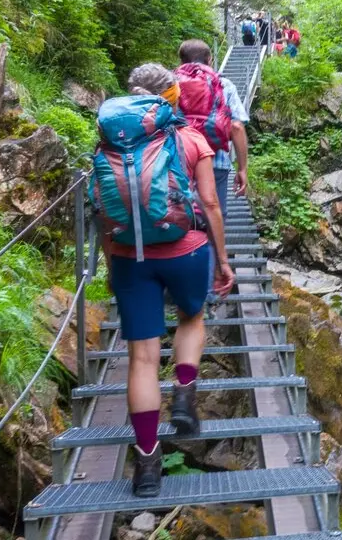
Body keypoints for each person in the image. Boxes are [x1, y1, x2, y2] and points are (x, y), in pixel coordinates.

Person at [96, 63, 235, 497]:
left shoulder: (110, 144)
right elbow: (210, 203)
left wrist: (110, 263)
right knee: (192, 318)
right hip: (187, 250)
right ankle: (184, 397)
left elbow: (102, 209)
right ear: (171, 97)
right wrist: (223, 260)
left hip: (128, 256)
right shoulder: (190, 138)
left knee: (142, 358)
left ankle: (148, 467)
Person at [176, 40, 250, 262]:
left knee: (179, 214)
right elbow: (236, 126)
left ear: (181, 61)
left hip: (179, 162)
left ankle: (179, 278)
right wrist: (243, 169)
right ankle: (210, 282)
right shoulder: (223, 84)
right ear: (210, 60)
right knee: (214, 214)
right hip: (216, 161)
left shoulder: (170, 84)